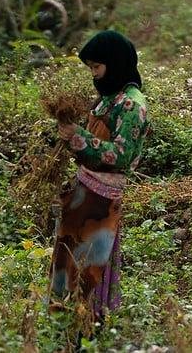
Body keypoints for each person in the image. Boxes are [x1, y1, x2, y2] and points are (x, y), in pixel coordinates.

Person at [49, 30, 150, 325]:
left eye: (97, 67)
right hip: (84, 192)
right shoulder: (108, 98)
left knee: (89, 267)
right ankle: (67, 324)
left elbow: (121, 155)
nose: (94, 75)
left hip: (102, 200)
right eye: (90, 68)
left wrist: (79, 137)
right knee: (71, 258)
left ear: (115, 63)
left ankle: (86, 327)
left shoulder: (132, 104)